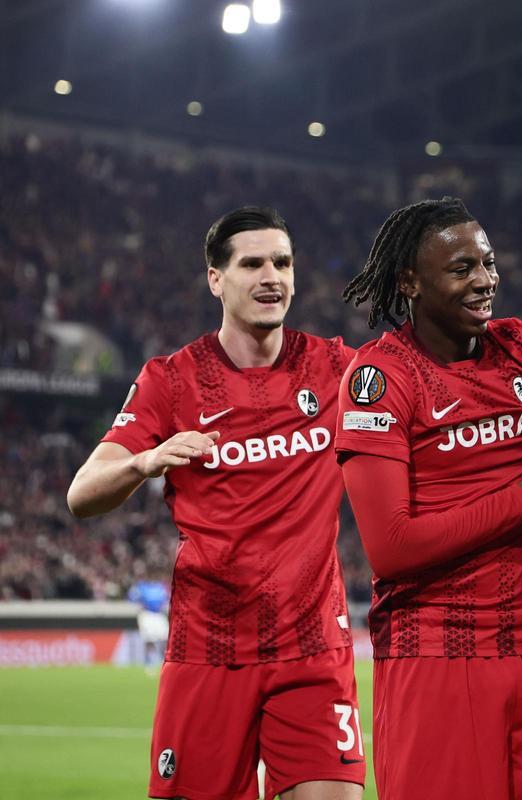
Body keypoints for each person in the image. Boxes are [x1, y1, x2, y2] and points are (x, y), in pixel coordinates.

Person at [335, 197, 522, 800]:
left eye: (489, 263)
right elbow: (390, 548)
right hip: (436, 655)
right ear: (410, 282)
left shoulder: (521, 344)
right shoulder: (381, 378)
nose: (485, 280)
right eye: (462, 268)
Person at [66, 207, 364, 800]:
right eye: (251, 263)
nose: (271, 276)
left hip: (312, 648)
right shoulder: (170, 380)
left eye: (282, 262)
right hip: (208, 649)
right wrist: (144, 462)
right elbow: (81, 495)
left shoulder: (337, 368)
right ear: (215, 278)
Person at [128, 573, 170, 669]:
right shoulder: (142, 586)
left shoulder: (161, 587)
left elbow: (167, 598)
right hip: (147, 614)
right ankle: (148, 661)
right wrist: (140, 604)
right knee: (148, 639)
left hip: (159, 615)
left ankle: (164, 660)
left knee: (165, 638)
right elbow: (131, 597)